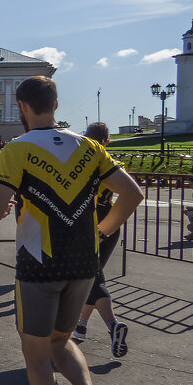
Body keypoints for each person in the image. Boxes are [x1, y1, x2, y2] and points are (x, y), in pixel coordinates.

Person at [0, 76, 142, 385]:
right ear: (55, 105)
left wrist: (2, 209)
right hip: (85, 263)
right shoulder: (89, 147)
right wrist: (104, 229)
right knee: (61, 340)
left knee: (36, 355)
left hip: (39, 265)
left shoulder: (17, 149)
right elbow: (133, 192)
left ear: (22, 107)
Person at [72, 123, 130, 359]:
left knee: (94, 278)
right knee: (93, 276)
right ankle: (82, 325)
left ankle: (113, 325)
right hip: (111, 223)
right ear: (107, 141)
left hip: (88, 225)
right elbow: (130, 193)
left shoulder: (81, 164)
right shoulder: (114, 166)